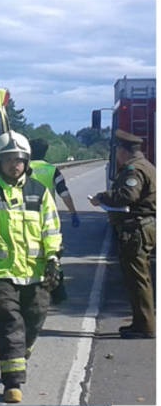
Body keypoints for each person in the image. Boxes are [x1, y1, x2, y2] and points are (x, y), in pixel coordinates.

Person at [0, 130, 62, 403]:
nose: (14, 164)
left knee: (35, 318)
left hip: (35, 272)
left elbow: (51, 228)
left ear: (26, 161)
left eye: (19, 159)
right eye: (8, 159)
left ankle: (19, 354)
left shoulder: (39, 193)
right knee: (9, 323)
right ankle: (13, 383)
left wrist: (53, 258)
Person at [89, 129, 156, 339]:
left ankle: (145, 326)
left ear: (123, 150)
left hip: (137, 229)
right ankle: (140, 322)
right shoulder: (144, 166)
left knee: (138, 279)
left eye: (118, 149)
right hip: (142, 226)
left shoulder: (134, 170)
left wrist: (102, 197)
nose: (116, 153)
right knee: (137, 278)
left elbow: (127, 196)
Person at [29, 137, 80, 305]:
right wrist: (73, 213)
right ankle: (58, 292)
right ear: (45, 152)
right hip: (47, 218)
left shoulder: (22, 168)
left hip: (25, 217)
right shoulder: (52, 170)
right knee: (53, 253)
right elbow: (63, 193)